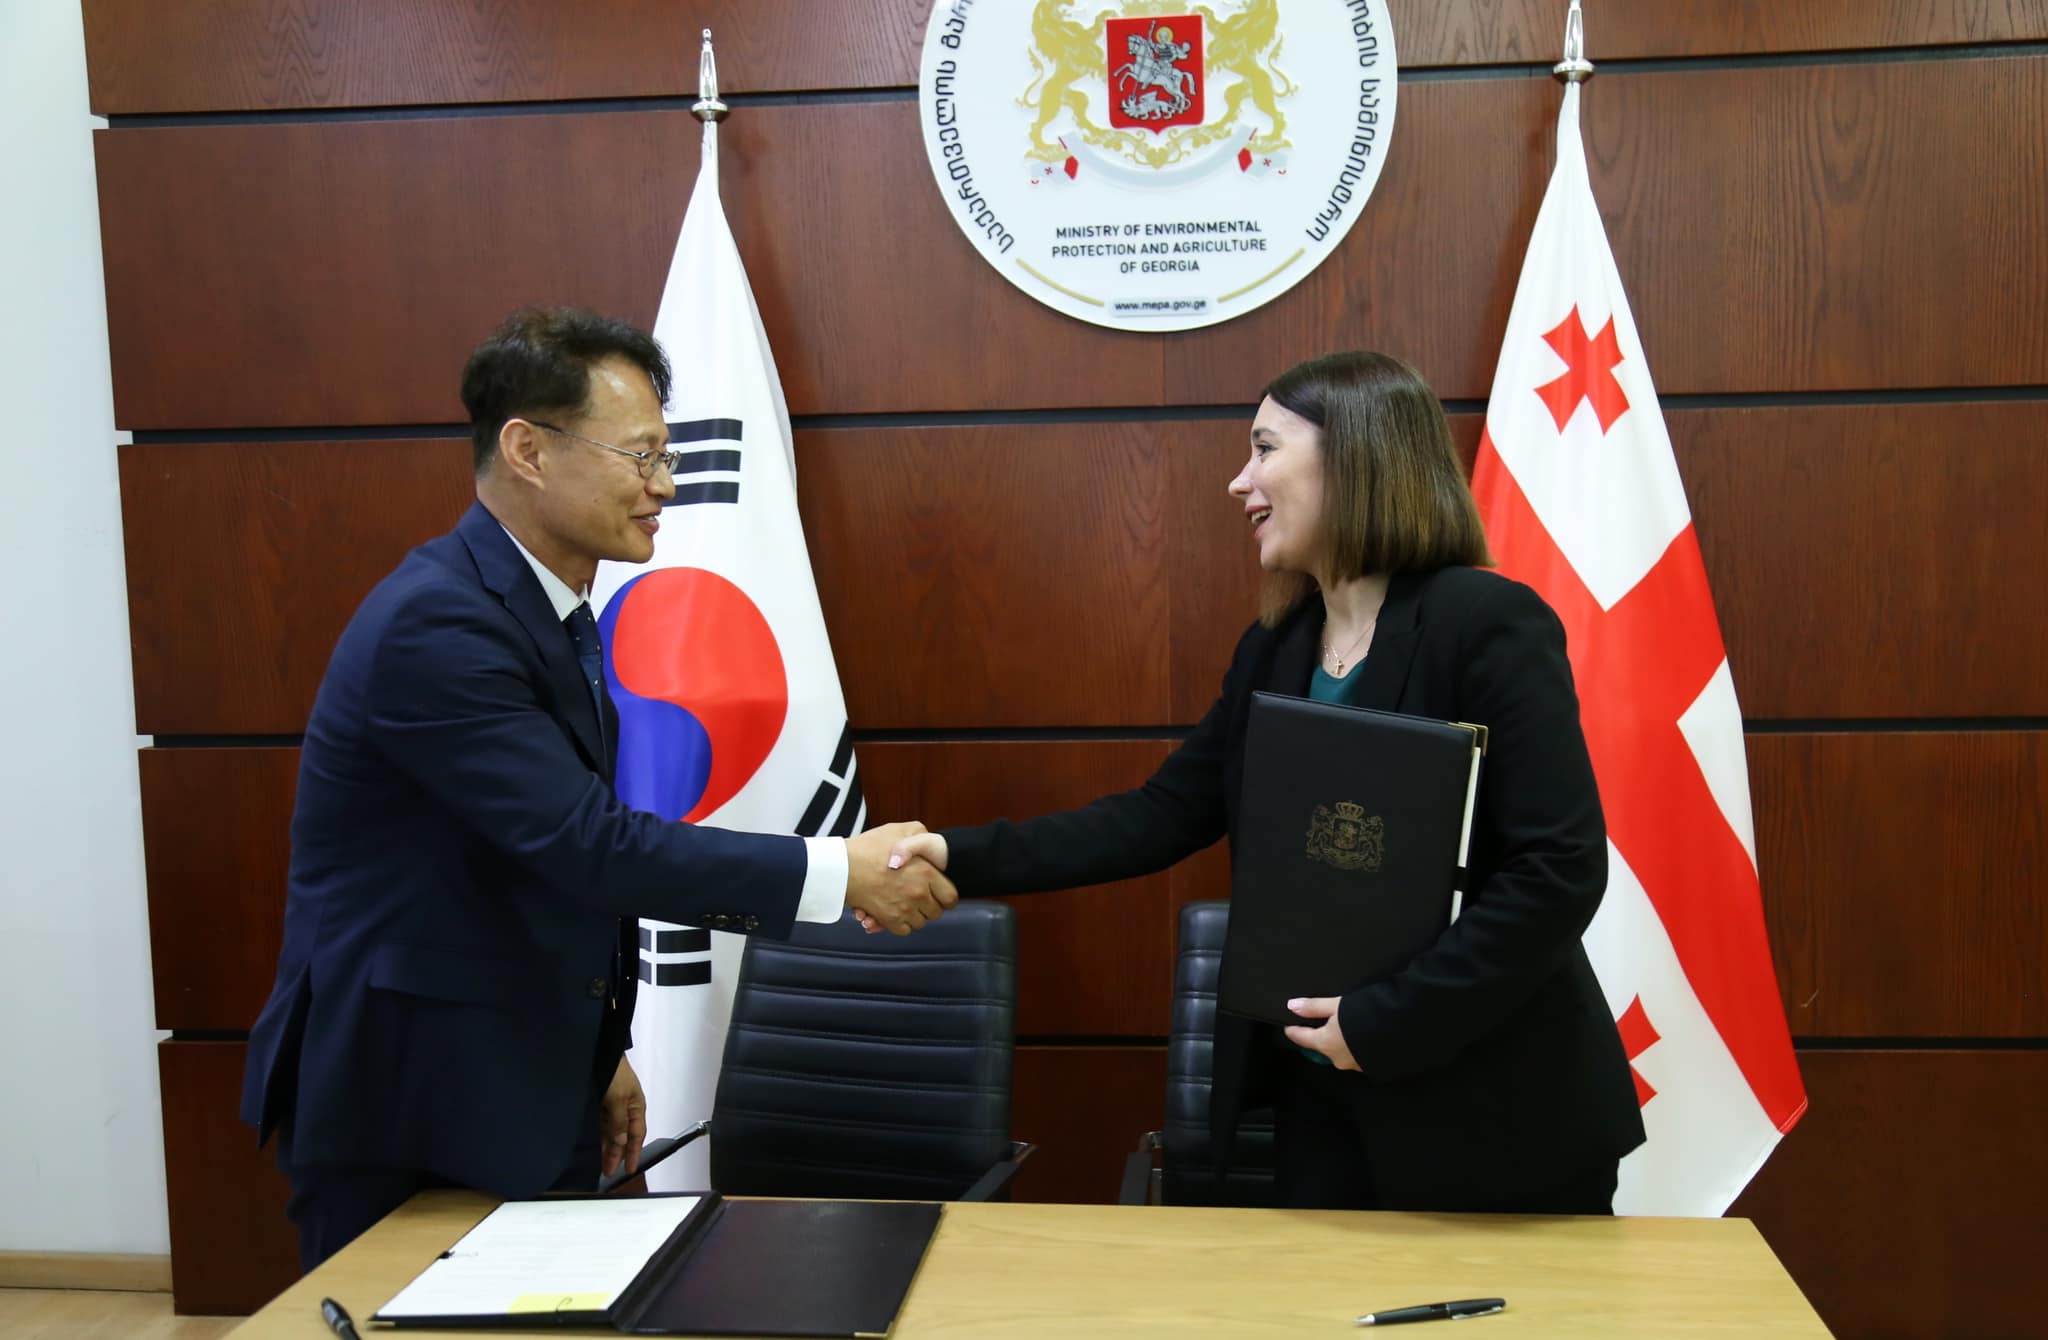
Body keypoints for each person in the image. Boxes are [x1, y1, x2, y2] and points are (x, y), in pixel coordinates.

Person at [241, 306, 955, 1269]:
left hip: (519, 1075)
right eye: (641, 455)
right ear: (528, 451)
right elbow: (590, 846)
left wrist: (596, 1049)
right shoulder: (439, 626)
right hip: (412, 1103)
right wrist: (838, 872)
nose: (666, 486)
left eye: (667, 455)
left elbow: (524, 867)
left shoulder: (547, 612)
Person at [887, 351, 1645, 1214]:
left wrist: (1386, 1020)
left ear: (1355, 456)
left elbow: (1558, 871)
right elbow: (1159, 816)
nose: (1238, 481)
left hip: (1495, 1109)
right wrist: (951, 855)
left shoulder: (1487, 623)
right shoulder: (1275, 648)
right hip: (1319, 1093)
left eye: (1264, 448)